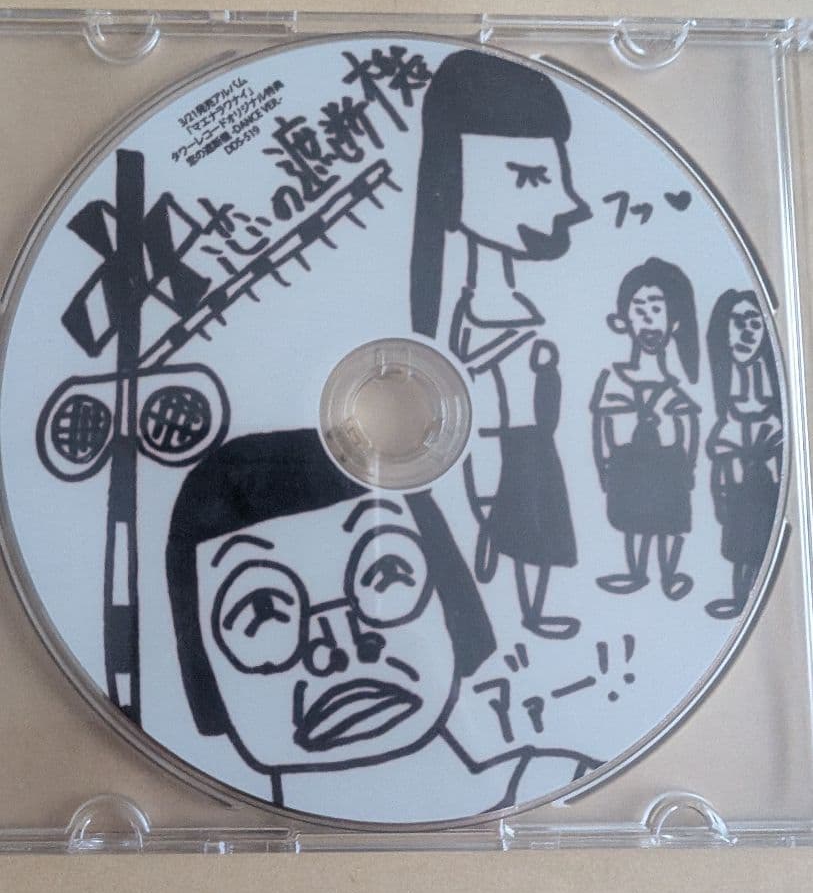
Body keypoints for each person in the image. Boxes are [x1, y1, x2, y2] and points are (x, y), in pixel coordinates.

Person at [166, 429, 599, 821]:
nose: (339, 647)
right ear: (200, 665)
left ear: (451, 594)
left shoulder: (566, 792)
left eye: (386, 574)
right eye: (262, 611)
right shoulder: (195, 828)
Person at [411, 49, 591, 638]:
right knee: (524, 530)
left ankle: (533, 610)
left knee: (545, 531)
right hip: (505, 448)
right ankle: (525, 608)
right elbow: (474, 388)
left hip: (532, 445)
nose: (571, 203)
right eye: (530, 177)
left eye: (557, 175)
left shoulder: (505, 303)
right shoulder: (472, 311)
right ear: (450, 183)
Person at [591, 258, 700, 600]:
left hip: (668, 465)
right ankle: (636, 572)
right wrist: (603, 466)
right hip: (628, 465)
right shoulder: (613, 379)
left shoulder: (676, 386)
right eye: (639, 309)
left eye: (656, 308)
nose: (649, 319)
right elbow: (601, 425)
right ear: (623, 320)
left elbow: (689, 426)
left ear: (674, 321)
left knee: (669, 520)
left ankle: (669, 574)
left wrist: (689, 466)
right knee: (632, 519)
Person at [705, 290, 782, 619]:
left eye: (755, 323)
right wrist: (719, 496)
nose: (747, 332)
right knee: (739, 547)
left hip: (765, 484)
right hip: (738, 487)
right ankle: (740, 601)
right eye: (738, 322)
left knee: (761, 544)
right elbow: (719, 458)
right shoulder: (724, 392)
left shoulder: (772, 392)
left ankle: (749, 602)